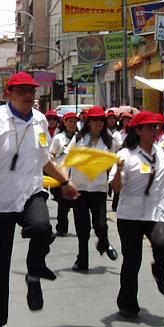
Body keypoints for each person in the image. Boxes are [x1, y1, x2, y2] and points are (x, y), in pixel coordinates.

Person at [0, 72, 78, 327]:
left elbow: (44, 159)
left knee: (41, 228)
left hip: (30, 192)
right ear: (9, 93)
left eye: (31, 90)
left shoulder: (39, 120)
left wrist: (64, 181)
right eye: (22, 90)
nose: (29, 95)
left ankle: (34, 272)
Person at [111, 112, 164, 317]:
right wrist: (119, 172)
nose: (155, 131)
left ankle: (159, 270)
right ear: (138, 130)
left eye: (157, 127)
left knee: (163, 246)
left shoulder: (160, 151)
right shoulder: (125, 155)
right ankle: (127, 303)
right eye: (150, 127)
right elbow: (116, 188)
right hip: (131, 214)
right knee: (132, 261)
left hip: (157, 211)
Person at [66, 106, 118, 272]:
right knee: (83, 228)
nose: (98, 123)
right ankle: (82, 260)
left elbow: (114, 162)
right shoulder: (79, 138)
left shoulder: (109, 140)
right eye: (95, 120)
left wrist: (111, 178)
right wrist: (64, 182)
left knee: (101, 225)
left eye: (101, 120)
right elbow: (68, 158)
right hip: (79, 187)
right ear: (88, 122)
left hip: (99, 188)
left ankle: (104, 243)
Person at [49, 112, 78, 237]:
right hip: (62, 175)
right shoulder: (58, 138)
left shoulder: (80, 137)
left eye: (74, 121)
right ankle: (61, 227)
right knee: (63, 205)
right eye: (70, 121)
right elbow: (52, 155)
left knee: (77, 205)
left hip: (77, 175)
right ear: (65, 123)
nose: (72, 124)